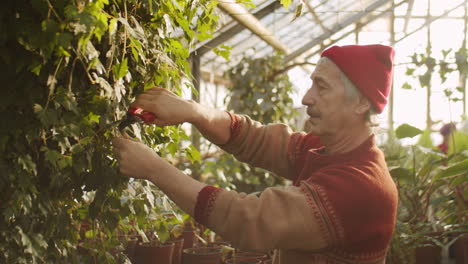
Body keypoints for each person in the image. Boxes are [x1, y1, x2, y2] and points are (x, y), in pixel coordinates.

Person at [112, 44, 398, 263]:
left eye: (321, 87)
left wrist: (154, 169)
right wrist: (195, 112)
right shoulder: (328, 149)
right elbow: (259, 140)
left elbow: (250, 219)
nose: (306, 98)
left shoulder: (361, 187)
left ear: (361, 103)